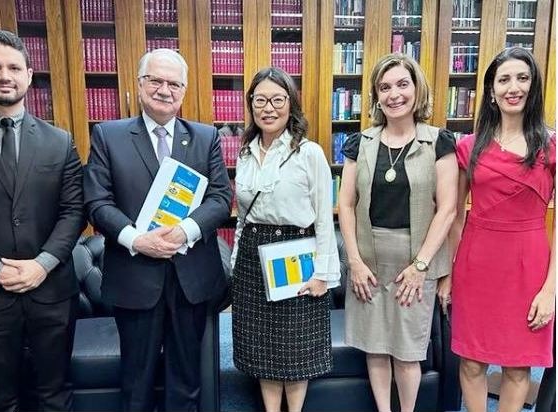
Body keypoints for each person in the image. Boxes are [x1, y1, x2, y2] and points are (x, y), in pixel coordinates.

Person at [83, 48, 232, 412]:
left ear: (183, 90)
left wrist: (185, 230)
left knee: (187, 379)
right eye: (156, 80)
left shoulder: (205, 136)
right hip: (135, 277)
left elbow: (219, 197)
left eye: (174, 83)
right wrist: (137, 239)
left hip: (192, 279)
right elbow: (97, 203)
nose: (165, 90)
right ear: (139, 84)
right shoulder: (108, 135)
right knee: (137, 381)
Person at [0, 30, 85, 411]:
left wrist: (41, 265)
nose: (4, 75)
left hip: (51, 292)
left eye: (14, 67)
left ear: (29, 75)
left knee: (54, 395)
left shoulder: (59, 141)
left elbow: (73, 211)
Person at [337, 53, 458, 412]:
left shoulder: (439, 141)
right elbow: (345, 203)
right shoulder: (361, 142)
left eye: (402, 84)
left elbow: (448, 207)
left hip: (414, 263)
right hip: (369, 261)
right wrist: (354, 262)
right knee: (375, 346)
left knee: (406, 352)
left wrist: (421, 267)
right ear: (376, 95)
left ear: (416, 89)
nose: (394, 94)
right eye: (385, 87)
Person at [449, 47, 555, 412]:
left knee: (517, 364)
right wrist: (449, 272)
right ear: (491, 91)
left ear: (534, 86)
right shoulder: (467, 146)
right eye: (504, 79)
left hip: (528, 267)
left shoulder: (551, 146)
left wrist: (550, 290)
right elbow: (453, 215)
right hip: (476, 265)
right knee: (472, 361)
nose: (514, 87)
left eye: (522, 78)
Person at [231, 67, 341, 412]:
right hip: (253, 256)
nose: (268, 108)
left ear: (290, 104)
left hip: (296, 255)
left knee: (294, 349)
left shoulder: (308, 152)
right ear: (251, 104)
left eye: (277, 100)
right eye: (260, 99)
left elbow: (325, 218)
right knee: (262, 348)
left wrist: (323, 274)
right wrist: (236, 260)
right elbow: (241, 216)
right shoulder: (244, 152)